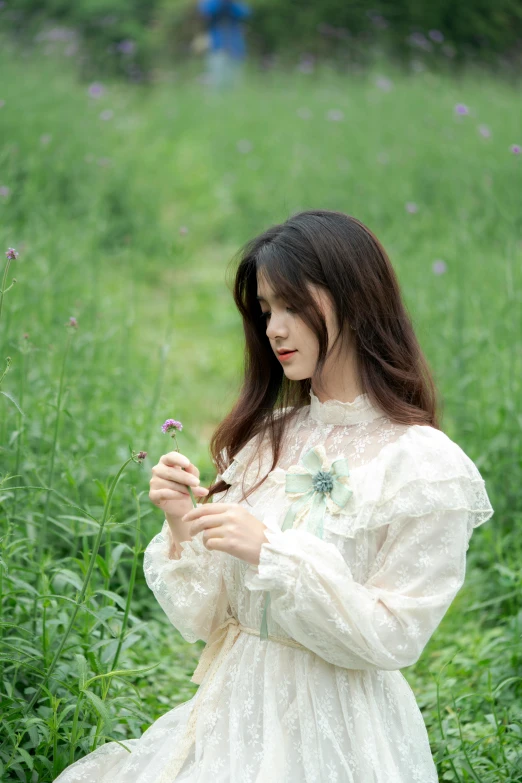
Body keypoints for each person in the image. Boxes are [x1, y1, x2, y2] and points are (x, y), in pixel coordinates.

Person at [54, 210, 494, 782]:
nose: (274, 330)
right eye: (265, 311)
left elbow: (395, 636)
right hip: (235, 716)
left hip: (339, 730)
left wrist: (273, 554)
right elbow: (211, 617)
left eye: (290, 305)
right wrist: (185, 522)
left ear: (354, 298)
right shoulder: (267, 442)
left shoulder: (423, 465)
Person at [198, 0, 251, 88]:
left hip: (236, 47)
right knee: (217, 83)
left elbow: (245, 12)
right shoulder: (209, 2)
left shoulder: (235, 3)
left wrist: (230, 3)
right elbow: (206, 11)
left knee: (235, 84)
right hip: (217, 47)